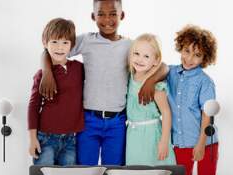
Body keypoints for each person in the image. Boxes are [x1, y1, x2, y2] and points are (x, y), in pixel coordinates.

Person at [40, 0, 164, 166]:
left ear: (122, 15)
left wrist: (151, 81)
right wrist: (46, 73)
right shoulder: (86, 41)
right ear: (93, 16)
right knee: (85, 169)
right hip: (89, 120)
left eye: (113, 14)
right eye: (101, 14)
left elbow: (162, 66)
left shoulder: (130, 45)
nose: (107, 20)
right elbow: (49, 51)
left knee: (113, 171)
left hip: (117, 122)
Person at [166, 25, 218, 175]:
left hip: (205, 142)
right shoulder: (170, 73)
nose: (190, 58)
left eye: (197, 55)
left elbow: (207, 114)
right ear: (180, 48)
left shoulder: (205, 82)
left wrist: (201, 144)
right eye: (187, 51)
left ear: (204, 58)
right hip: (180, 143)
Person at [27, 18, 84, 166]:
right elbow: (33, 107)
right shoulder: (42, 74)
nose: (60, 47)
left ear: (71, 45)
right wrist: (33, 139)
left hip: (71, 140)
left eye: (65, 42)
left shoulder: (78, 68)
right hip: (46, 139)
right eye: (55, 42)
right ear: (45, 43)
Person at [126, 34, 175, 166]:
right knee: (135, 172)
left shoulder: (156, 85)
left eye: (146, 56)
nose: (140, 59)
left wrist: (164, 141)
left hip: (151, 135)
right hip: (132, 135)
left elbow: (166, 112)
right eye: (136, 53)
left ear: (155, 60)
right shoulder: (130, 76)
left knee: (152, 171)